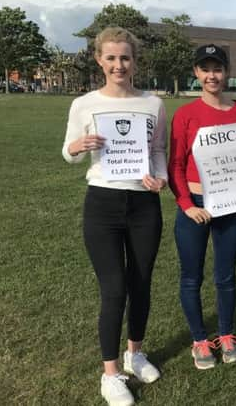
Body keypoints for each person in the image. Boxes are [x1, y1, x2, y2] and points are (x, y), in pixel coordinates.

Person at [61, 27, 167, 406]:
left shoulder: (153, 103)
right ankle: (110, 375)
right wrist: (76, 146)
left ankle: (135, 353)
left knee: (141, 283)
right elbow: (68, 153)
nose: (118, 64)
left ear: (134, 61)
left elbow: (157, 151)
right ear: (99, 60)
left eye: (125, 57)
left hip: (143, 205)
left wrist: (162, 177)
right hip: (102, 205)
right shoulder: (84, 104)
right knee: (114, 290)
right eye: (111, 58)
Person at [168, 44, 236, 369]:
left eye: (217, 68)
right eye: (205, 69)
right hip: (195, 205)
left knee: (226, 275)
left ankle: (226, 334)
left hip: (230, 202)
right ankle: (200, 340)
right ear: (196, 73)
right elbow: (175, 165)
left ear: (226, 72)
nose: (212, 75)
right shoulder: (186, 114)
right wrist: (187, 205)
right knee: (191, 276)